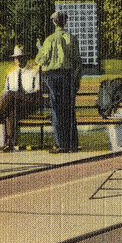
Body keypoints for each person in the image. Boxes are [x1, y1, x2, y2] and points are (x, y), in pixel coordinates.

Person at [34, 11, 82, 153]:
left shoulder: (49, 40)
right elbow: (77, 62)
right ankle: (72, 143)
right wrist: (76, 80)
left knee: (57, 110)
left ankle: (61, 143)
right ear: (65, 22)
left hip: (53, 76)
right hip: (68, 76)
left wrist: (39, 48)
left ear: (54, 22)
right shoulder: (71, 38)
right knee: (69, 110)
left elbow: (41, 60)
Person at [0, 45, 43, 152]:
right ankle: (9, 143)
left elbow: (36, 91)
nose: (19, 60)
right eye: (16, 58)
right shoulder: (11, 74)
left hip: (30, 101)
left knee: (11, 95)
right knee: (10, 111)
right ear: (14, 60)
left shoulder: (33, 72)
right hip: (16, 105)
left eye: (21, 57)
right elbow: (4, 93)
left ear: (26, 58)